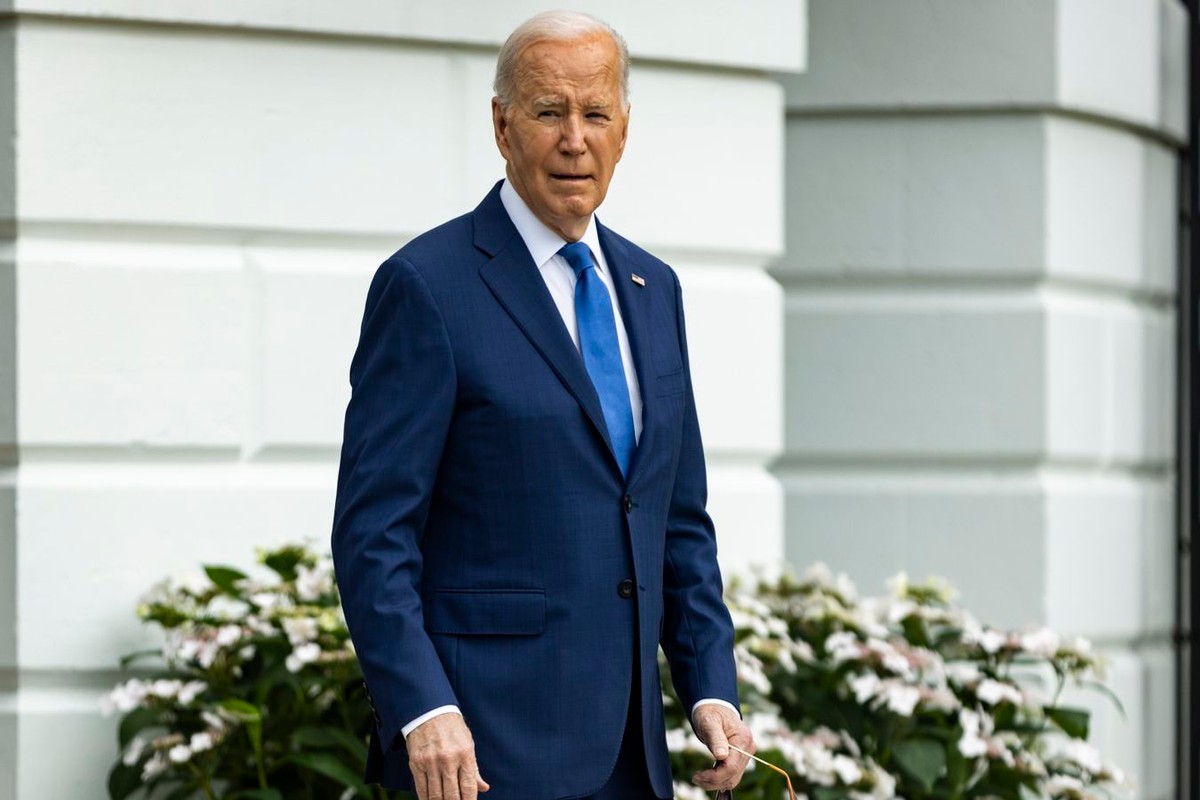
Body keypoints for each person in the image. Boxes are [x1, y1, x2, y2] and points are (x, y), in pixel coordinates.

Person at [331, 10, 753, 800]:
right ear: (502, 124)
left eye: (595, 114)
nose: (574, 139)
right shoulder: (427, 286)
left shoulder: (653, 289)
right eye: (549, 111)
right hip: (480, 758)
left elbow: (675, 520)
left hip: (632, 761)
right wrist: (423, 708)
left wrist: (710, 687)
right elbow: (372, 534)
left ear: (624, 130)